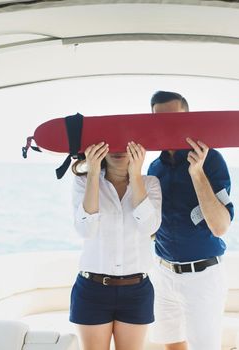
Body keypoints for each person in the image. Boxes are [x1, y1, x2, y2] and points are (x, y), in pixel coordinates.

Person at [148, 91, 234, 350]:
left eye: (175, 119)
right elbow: (152, 224)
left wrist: (196, 172)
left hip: (202, 277)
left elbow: (220, 226)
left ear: (189, 118)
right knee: (172, 344)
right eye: (160, 120)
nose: (168, 127)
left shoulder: (212, 161)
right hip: (163, 273)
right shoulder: (154, 168)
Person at [70, 140, 162, 350]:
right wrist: (93, 174)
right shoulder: (83, 181)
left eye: (125, 144)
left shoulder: (150, 183)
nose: (118, 149)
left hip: (136, 290)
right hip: (92, 289)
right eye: (112, 143)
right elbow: (86, 230)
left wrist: (136, 176)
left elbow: (149, 227)